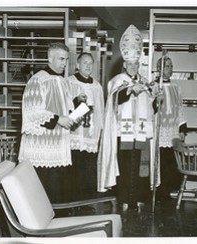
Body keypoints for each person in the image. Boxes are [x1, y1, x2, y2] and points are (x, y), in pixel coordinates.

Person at [97, 25, 155, 212]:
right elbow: (115, 99)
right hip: (124, 131)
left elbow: (151, 108)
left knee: (140, 166)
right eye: (129, 63)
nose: (132, 66)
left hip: (141, 132)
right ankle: (123, 199)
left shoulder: (145, 82)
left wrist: (157, 100)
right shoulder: (117, 81)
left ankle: (138, 199)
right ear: (124, 64)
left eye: (135, 63)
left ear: (139, 63)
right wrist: (130, 90)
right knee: (125, 165)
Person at [18, 42, 80, 204]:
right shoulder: (38, 80)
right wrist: (59, 119)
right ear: (49, 58)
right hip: (43, 145)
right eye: (61, 59)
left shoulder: (63, 81)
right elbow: (32, 111)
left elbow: (65, 108)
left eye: (66, 60)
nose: (64, 64)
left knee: (57, 188)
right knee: (43, 190)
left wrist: (76, 112)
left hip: (59, 144)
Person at [67, 52, 104, 203]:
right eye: (84, 63)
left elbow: (100, 109)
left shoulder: (97, 86)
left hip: (90, 135)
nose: (88, 66)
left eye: (90, 63)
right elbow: (64, 106)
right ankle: (72, 201)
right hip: (74, 134)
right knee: (74, 169)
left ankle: (86, 202)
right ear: (77, 65)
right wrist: (76, 100)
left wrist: (99, 130)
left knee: (88, 169)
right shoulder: (69, 82)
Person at [154, 55, 187, 201]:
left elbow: (180, 109)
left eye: (171, 66)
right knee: (159, 163)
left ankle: (167, 192)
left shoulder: (176, 88)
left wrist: (182, 130)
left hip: (172, 131)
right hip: (159, 132)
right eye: (167, 66)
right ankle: (158, 191)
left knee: (170, 164)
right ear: (159, 69)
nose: (170, 69)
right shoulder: (153, 87)